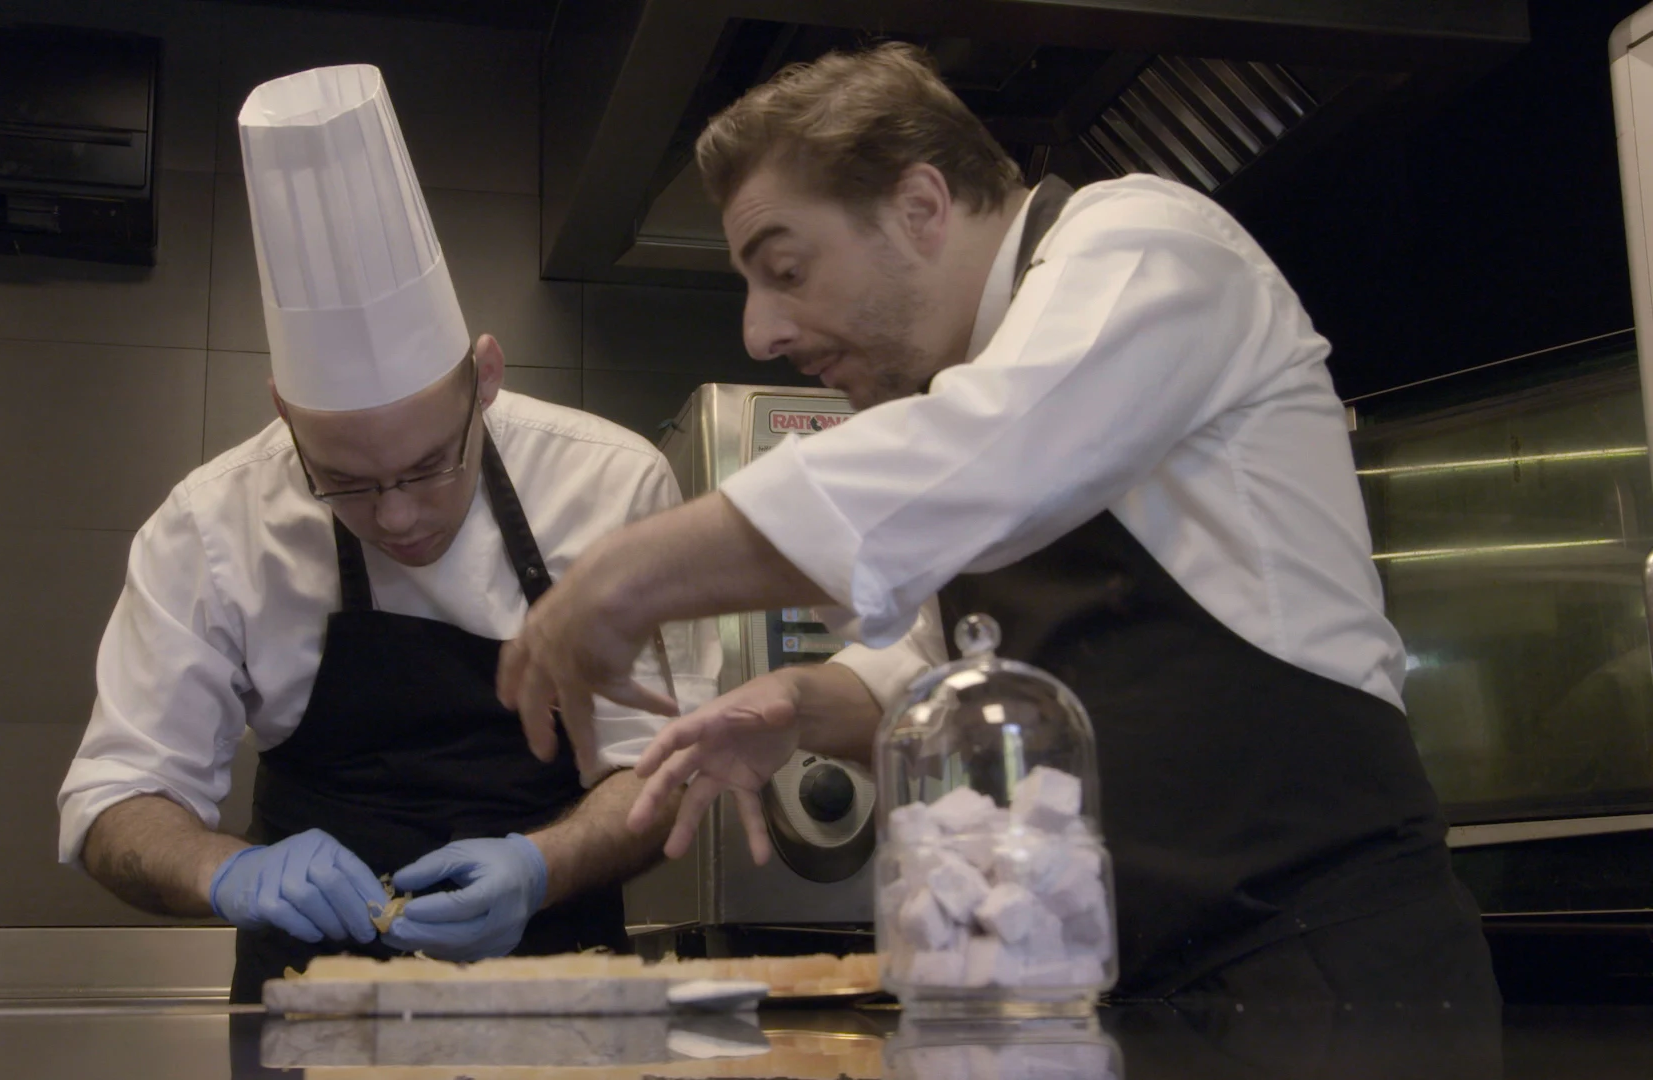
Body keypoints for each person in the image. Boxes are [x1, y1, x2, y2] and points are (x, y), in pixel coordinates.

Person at [497, 43, 1499, 1003]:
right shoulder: (972, 397)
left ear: (921, 205)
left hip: (1322, 964)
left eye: (786, 268)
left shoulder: (1145, 242)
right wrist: (797, 706)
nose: (760, 329)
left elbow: (993, 450)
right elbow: (929, 664)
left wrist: (622, 574)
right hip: (1134, 976)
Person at [56, 64, 713, 1003]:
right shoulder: (211, 524)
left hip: (560, 989)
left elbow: (663, 774)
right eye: (345, 482)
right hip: (307, 1002)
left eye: (428, 466)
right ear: (283, 410)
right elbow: (115, 797)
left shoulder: (610, 485)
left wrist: (542, 865)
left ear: (484, 378)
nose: (397, 516)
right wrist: (222, 870)